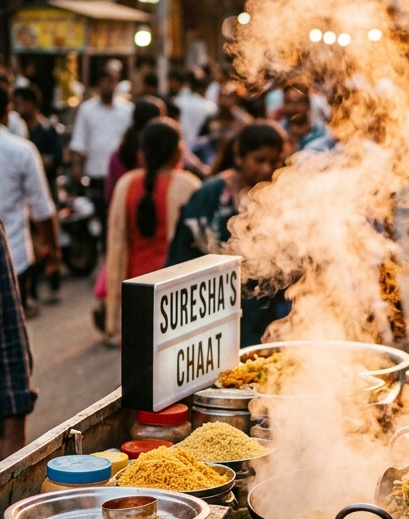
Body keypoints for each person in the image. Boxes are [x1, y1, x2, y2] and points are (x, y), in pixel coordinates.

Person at [167, 122, 285, 347]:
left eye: (274, 161)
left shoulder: (279, 200)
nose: (267, 169)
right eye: (259, 160)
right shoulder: (208, 197)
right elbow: (181, 254)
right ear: (239, 157)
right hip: (207, 310)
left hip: (260, 317)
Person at [104, 120, 200, 343]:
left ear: (142, 152)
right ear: (178, 152)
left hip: (135, 290)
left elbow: (116, 245)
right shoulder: (189, 185)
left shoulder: (126, 184)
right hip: (174, 292)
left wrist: (113, 313)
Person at [0, 84, 59, 317]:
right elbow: (41, 207)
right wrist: (53, 250)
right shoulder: (23, 150)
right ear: (7, 112)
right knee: (9, 330)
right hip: (13, 256)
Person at [68, 70, 133, 231]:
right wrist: (77, 167)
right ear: (98, 85)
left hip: (121, 172)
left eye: (110, 81)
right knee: (101, 217)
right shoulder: (87, 109)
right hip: (96, 172)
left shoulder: (127, 110)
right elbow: (79, 140)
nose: (107, 86)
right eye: (103, 82)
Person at [12, 84, 63, 196]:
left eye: (19, 104)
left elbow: (56, 158)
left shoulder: (48, 129)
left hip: (46, 188)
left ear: (30, 104)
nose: (15, 108)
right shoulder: (14, 129)